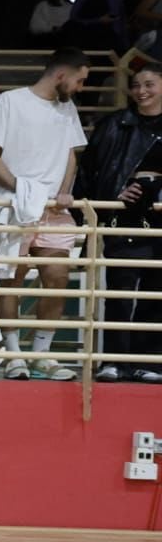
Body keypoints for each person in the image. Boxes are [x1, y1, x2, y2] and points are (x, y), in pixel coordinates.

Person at [0, 47, 90, 382]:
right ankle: (13, 355)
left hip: (54, 210)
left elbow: (71, 154)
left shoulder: (67, 107)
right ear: (61, 75)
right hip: (14, 206)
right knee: (11, 279)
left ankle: (41, 354)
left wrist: (63, 192)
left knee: (57, 277)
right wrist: (24, 190)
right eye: (80, 80)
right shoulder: (9, 101)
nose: (81, 87)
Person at [77, 62, 162, 381]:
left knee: (157, 295)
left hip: (159, 223)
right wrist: (116, 195)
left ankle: (150, 362)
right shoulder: (113, 124)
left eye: (149, 84)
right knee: (120, 293)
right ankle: (114, 361)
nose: (142, 91)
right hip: (123, 220)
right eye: (137, 85)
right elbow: (92, 172)